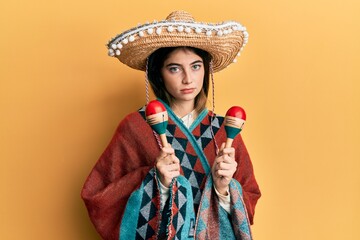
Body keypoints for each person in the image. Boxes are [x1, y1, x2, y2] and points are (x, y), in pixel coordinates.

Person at [81, 10, 261, 240]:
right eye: (174, 68)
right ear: (159, 74)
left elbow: (250, 198)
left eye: (196, 66)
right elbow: (98, 199)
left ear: (206, 69)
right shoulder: (136, 127)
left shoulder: (224, 130)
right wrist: (157, 181)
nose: (188, 78)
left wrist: (225, 190)